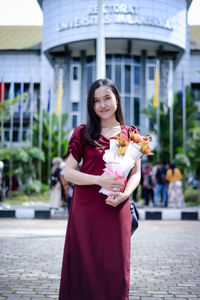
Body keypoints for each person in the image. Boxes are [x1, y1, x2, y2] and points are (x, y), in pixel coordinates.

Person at [59, 78, 141, 300]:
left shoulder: (131, 134)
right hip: (86, 210)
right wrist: (99, 180)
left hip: (117, 206)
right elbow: (68, 173)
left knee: (117, 269)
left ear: (117, 99)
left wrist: (125, 194)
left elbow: (136, 173)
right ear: (91, 105)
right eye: (96, 101)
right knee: (85, 267)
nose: (102, 105)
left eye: (107, 98)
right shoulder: (83, 132)